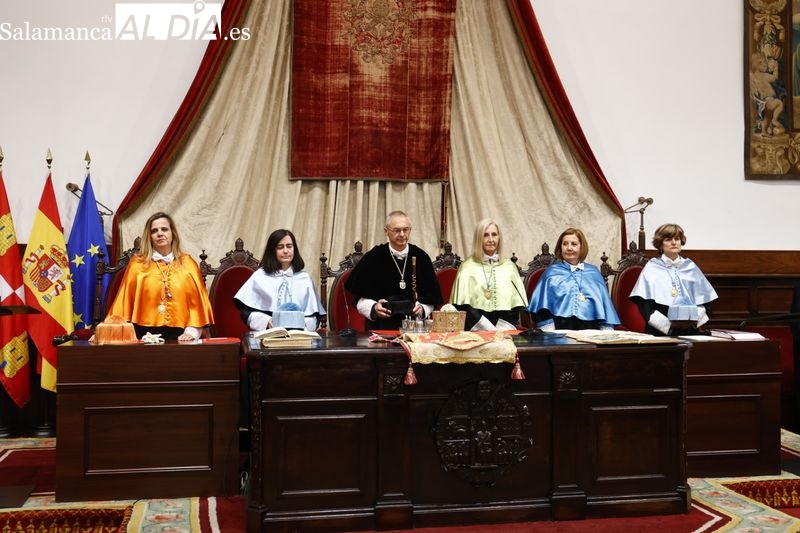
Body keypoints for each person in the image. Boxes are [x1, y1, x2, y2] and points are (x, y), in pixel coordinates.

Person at [107, 211, 214, 341]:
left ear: (172, 233)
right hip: (142, 334)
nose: (160, 233)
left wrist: (191, 332)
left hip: (180, 335)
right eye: (154, 231)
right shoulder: (137, 264)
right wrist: (108, 331)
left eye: (164, 229)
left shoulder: (188, 263)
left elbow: (197, 306)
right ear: (149, 236)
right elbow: (122, 303)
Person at [345, 210, 443, 330]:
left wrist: (423, 308)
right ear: (386, 231)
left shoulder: (421, 257)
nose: (402, 234)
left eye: (406, 229)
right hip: (380, 328)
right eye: (397, 230)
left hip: (414, 329)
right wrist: (374, 308)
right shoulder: (373, 257)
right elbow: (358, 298)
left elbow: (432, 297)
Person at [630, 223, 718, 336]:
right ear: (660, 244)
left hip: (690, 331)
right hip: (660, 332)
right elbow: (645, 306)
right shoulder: (651, 267)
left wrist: (693, 320)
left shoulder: (690, 267)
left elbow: (706, 303)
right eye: (668, 239)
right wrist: (669, 326)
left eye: (677, 239)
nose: (673, 242)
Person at [528, 227, 620, 331]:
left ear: (582, 247)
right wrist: (550, 335)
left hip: (591, 335)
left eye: (574, 244)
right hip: (559, 334)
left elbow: (606, 309)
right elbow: (541, 309)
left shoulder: (594, 273)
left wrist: (606, 334)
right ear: (560, 247)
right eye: (565, 244)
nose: (569, 248)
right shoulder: (551, 273)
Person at [233, 229, 326, 332]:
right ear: (272, 250)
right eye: (280, 247)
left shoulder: (304, 278)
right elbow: (246, 312)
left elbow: (314, 315)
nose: (286, 251)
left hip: (299, 338)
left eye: (289, 246)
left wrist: (303, 326)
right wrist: (267, 321)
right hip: (267, 334)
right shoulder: (260, 276)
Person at [449, 218, 527, 330]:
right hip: (475, 330)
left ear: (499, 238)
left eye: (494, 234)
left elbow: (515, 304)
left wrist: (501, 330)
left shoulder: (509, 267)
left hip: (505, 330)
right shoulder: (467, 267)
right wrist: (487, 329)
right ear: (478, 238)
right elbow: (463, 306)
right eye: (485, 235)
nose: (491, 239)